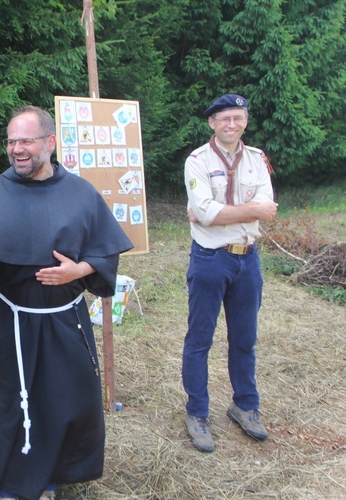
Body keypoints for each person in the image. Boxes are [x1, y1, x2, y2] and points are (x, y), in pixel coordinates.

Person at [0, 106, 133, 499]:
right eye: (11, 141)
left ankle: (53, 477)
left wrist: (76, 272)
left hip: (65, 318)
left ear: (50, 142)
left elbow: (105, 250)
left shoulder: (80, 192)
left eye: (25, 140)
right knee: (15, 401)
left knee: (67, 397)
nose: (17, 149)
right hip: (11, 321)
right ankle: (13, 484)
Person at [182, 94, 277, 453]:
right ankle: (197, 413)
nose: (231, 125)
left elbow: (268, 211)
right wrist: (246, 209)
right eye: (224, 119)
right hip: (210, 258)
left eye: (238, 118)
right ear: (212, 123)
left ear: (246, 121)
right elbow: (205, 214)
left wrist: (219, 211)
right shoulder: (197, 161)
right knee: (199, 339)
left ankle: (245, 406)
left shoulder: (256, 159)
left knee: (244, 339)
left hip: (247, 260)